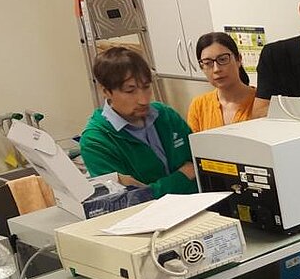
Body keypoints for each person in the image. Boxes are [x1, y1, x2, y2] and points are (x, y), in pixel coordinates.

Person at [80, 47, 197, 197]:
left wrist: (152, 189)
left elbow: (198, 164)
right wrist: (182, 177)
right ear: (106, 91)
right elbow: (128, 200)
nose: (143, 99)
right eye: (130, 91)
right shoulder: (96, 141)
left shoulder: (165, 116)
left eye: (146, 87)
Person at [187, 32, 256, 132]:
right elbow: (196, 145)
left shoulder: (261, 101)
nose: (216, 69)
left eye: (223, 59)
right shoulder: (199, 105)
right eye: (208, 63)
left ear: (239, 59)